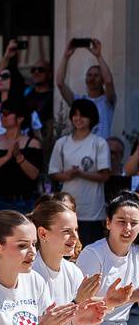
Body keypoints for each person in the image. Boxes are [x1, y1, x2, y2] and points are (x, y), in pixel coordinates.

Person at [72, 191, 139, 325]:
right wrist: (115, 300)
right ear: (108, 223)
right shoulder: (94, 254)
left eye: (134, 223)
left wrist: (130, 297)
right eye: (121, 221)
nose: (128, 228)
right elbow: (79, 303)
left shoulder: (137, 254)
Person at [49, 99, 113, 244]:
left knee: (91, 250)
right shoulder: (62, 143)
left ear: (92, 118)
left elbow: (105, 175)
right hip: (67, 209)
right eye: (75, 114)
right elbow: (53, 172)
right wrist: (67, 175)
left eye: (83, 115)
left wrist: (81, 174)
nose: (78, 119)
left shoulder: (99, 143)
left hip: (93, 211)